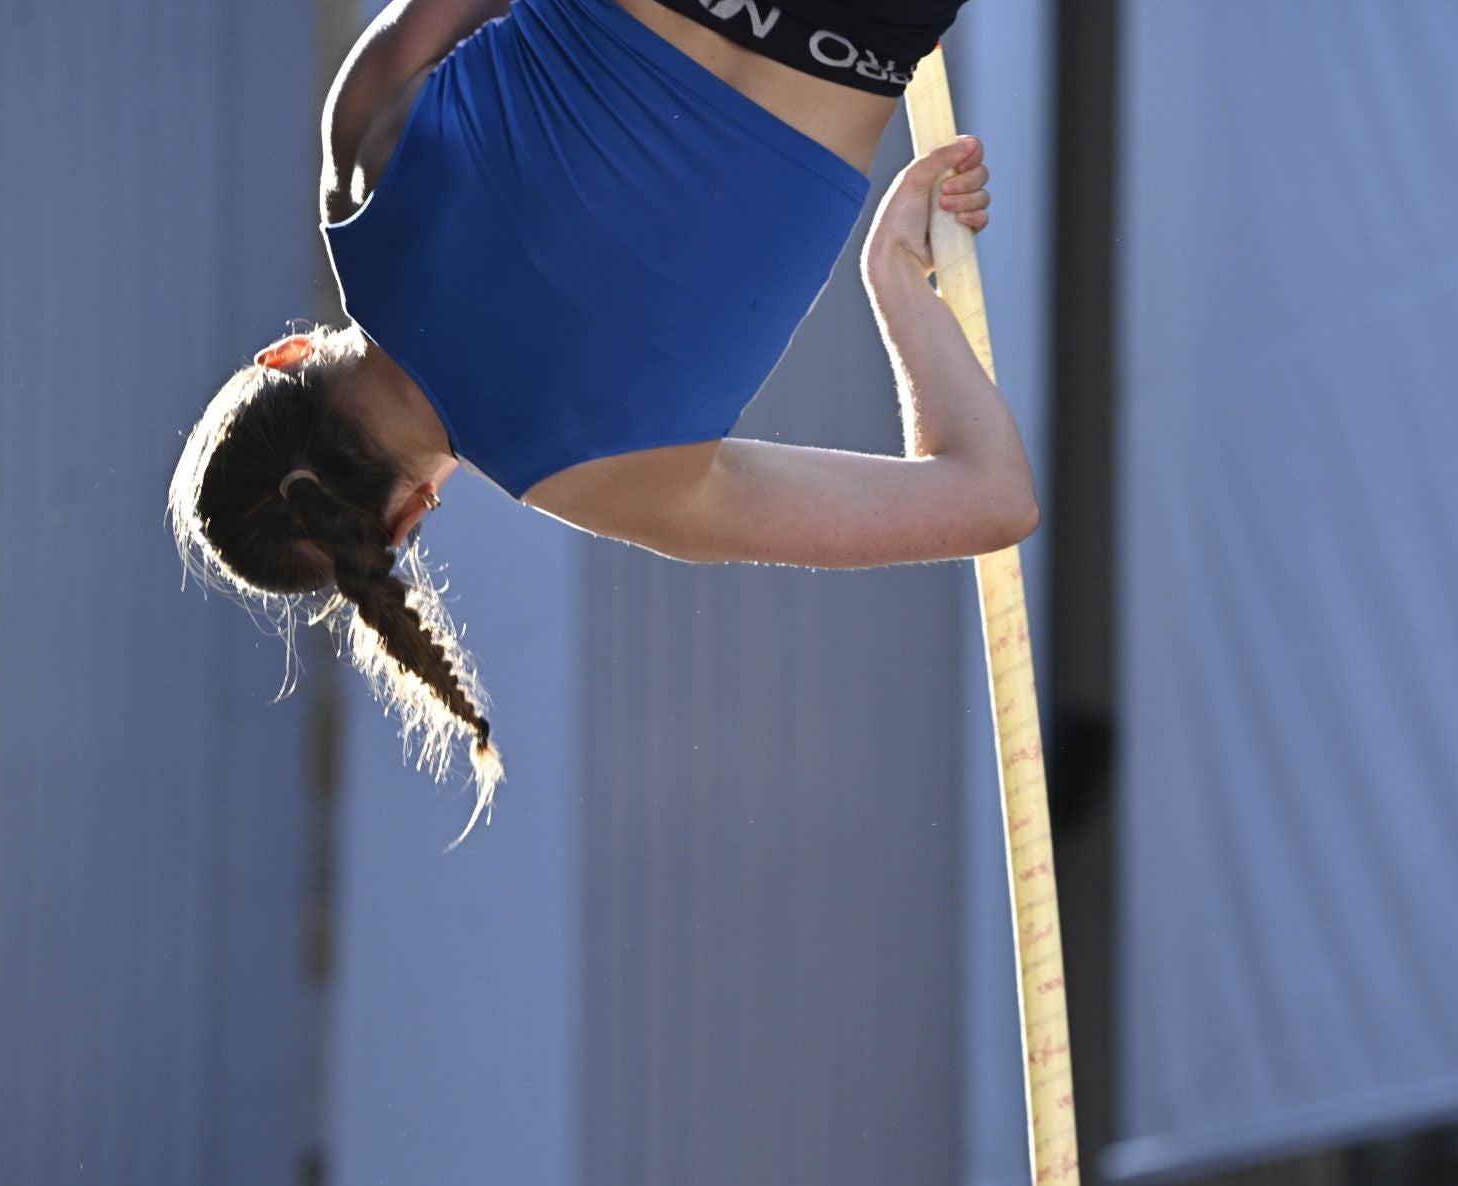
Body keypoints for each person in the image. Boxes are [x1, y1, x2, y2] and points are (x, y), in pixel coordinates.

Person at [168, 0, 1031, 844]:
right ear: (281, 358)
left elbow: (990, 498)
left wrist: (893, 275)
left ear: (398, 523)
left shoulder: (611, 484)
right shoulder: (360, 157)